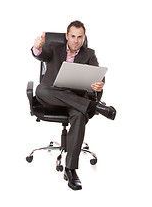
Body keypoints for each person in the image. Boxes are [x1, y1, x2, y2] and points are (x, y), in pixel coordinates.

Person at [32, 20, 116, 190]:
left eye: (80, 37)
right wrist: (37, 47)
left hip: (76, 102)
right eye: (72, 36)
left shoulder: (89, 54)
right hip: (52, 99)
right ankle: (93, 106)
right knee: (41, 89)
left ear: (84, 37)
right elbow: (41, 54)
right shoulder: (54, 47)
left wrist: (99, 84)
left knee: (79, 114)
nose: (76, 40)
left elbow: (98, 75)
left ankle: (70, 169)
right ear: (67, 36)